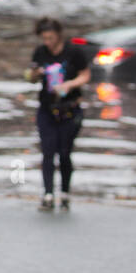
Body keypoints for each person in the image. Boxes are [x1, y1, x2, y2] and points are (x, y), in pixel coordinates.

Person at [24, 17, 90, 210]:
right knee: (47, 151)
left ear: (59, 35)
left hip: (70, 108)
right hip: (47, 108)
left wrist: (69, 85)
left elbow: (85, 75)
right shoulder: (40, 52)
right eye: (44, 38)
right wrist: (35, 74)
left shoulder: (74, 51)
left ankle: (65, 193)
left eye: (50, 38)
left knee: (64, 152)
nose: (47, 42)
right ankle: (48, 194)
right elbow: (30, 77)